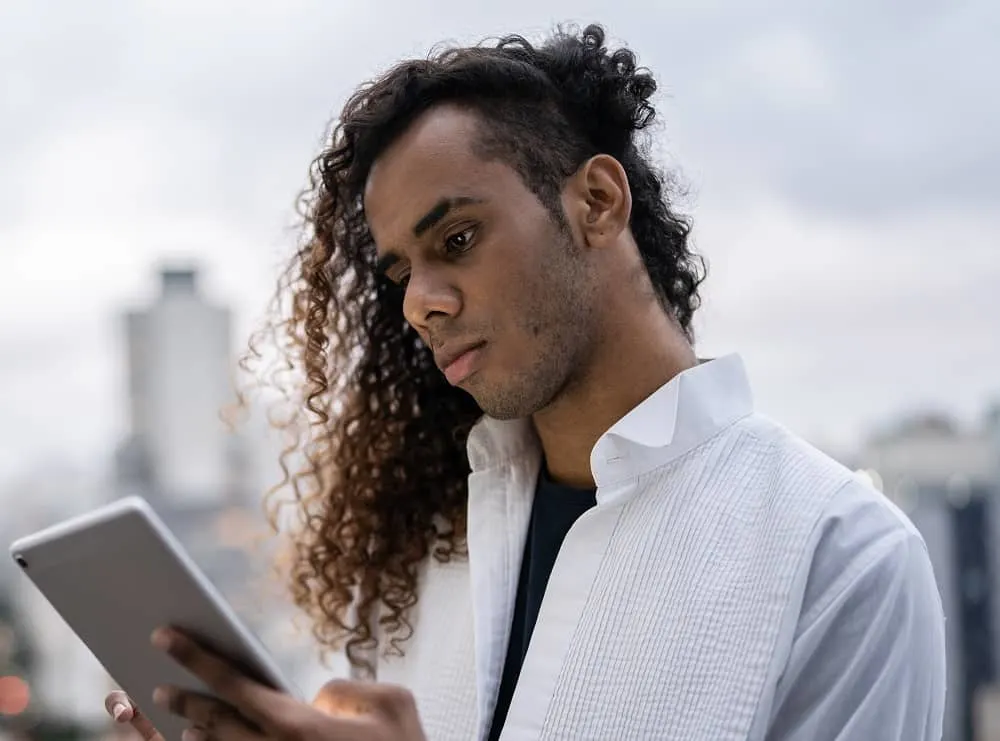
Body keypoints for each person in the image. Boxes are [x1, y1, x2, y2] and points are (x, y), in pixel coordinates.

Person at [104, 23, 946, 741]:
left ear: (598, 202)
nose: (421, 304)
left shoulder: (841, 556)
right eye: (400, 271)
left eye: (458, 239)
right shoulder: (420, 560)